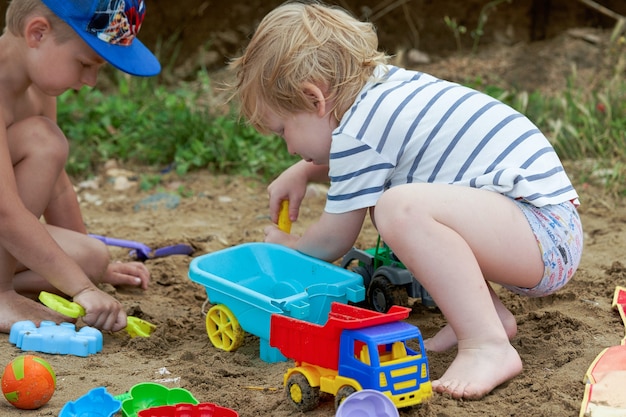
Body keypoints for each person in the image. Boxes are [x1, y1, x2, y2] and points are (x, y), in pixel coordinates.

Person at [229, 0, 583, 400]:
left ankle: (487, 345)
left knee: (398, 209)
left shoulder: (360, 129)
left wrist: (290, 249)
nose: (288, 146)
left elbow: (335, 237)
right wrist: (307, 169)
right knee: (401, 203)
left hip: (542, 234)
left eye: (282, 131)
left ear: (315, 99)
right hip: (536, 226)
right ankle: (490, 319)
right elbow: (372, 162)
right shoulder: (380, 92)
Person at [0, 0, 160, 334]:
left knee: (91, 257)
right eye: (85, 63)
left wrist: (87, 277)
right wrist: (81, 289)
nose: (90, 80)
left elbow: (55, 184)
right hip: (5, 219)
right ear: (38, 33)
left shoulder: (37, 88)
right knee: (43, 139)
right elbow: (6, 213)